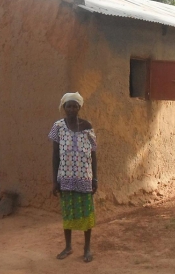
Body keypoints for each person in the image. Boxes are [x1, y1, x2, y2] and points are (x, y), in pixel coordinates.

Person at [49, 92, 98, 263]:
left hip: (85, 177)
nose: (71, 109)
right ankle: (68, 246)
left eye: (74, 106)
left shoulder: (87, 126)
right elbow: (55, 155)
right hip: (66, 178)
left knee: (86, 212)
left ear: (79, 107)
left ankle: (87, 248)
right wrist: (55, 180)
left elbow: (93, 155)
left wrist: (95, 179)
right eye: (68, 106)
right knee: (68, 212)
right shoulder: (58, 127)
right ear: (64, 108)